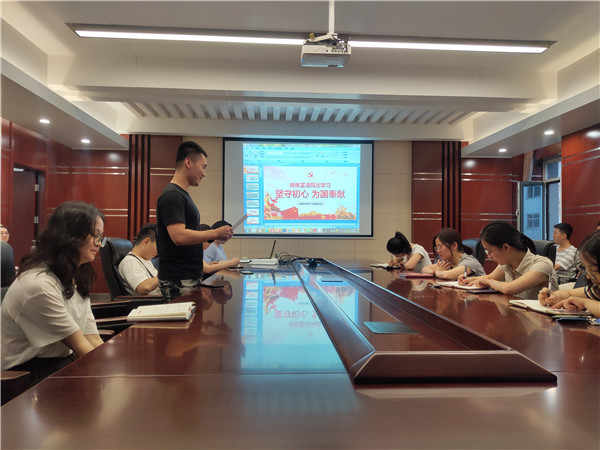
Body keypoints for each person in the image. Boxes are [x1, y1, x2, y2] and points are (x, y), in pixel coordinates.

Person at [1, 201, 104, 386]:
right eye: (95, 236)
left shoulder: (74, 275)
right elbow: (79, 346)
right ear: (70, 235)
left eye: (101, 237)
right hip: (25, 376)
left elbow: (92, 338)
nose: (99, 244)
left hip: (60, 362)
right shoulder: (39, 285)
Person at [156, 141, 233, 300]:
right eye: (203, 167)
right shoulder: (172, 196)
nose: (204, 173)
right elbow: (179, 236)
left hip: (188, 277)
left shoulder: (181, 195)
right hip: (178, 280)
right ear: (188, 162)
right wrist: (214, 233)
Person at [459, 221, 558, 298]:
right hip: (517, 314)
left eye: (489, 251)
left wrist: (488, 282)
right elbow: (489, 277)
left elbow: (508, 288)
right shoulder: (507, 264)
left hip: (541, 318)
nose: (488, 256)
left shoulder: (542, 264)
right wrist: (468, 280)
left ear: (506, 247)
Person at [539, 231, 600, 318]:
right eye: (585, 269)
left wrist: (584, 302)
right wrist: (555, 296)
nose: (588, 276)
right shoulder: (596, 290)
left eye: (594, 271)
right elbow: (569, 293)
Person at [118, 223, 161, 296]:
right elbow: (144, 288)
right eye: (159, 247)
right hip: (152, 302)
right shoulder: (130, 262)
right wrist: (166, 274)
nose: (159, 252)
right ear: (146, 241)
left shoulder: (146, 260)